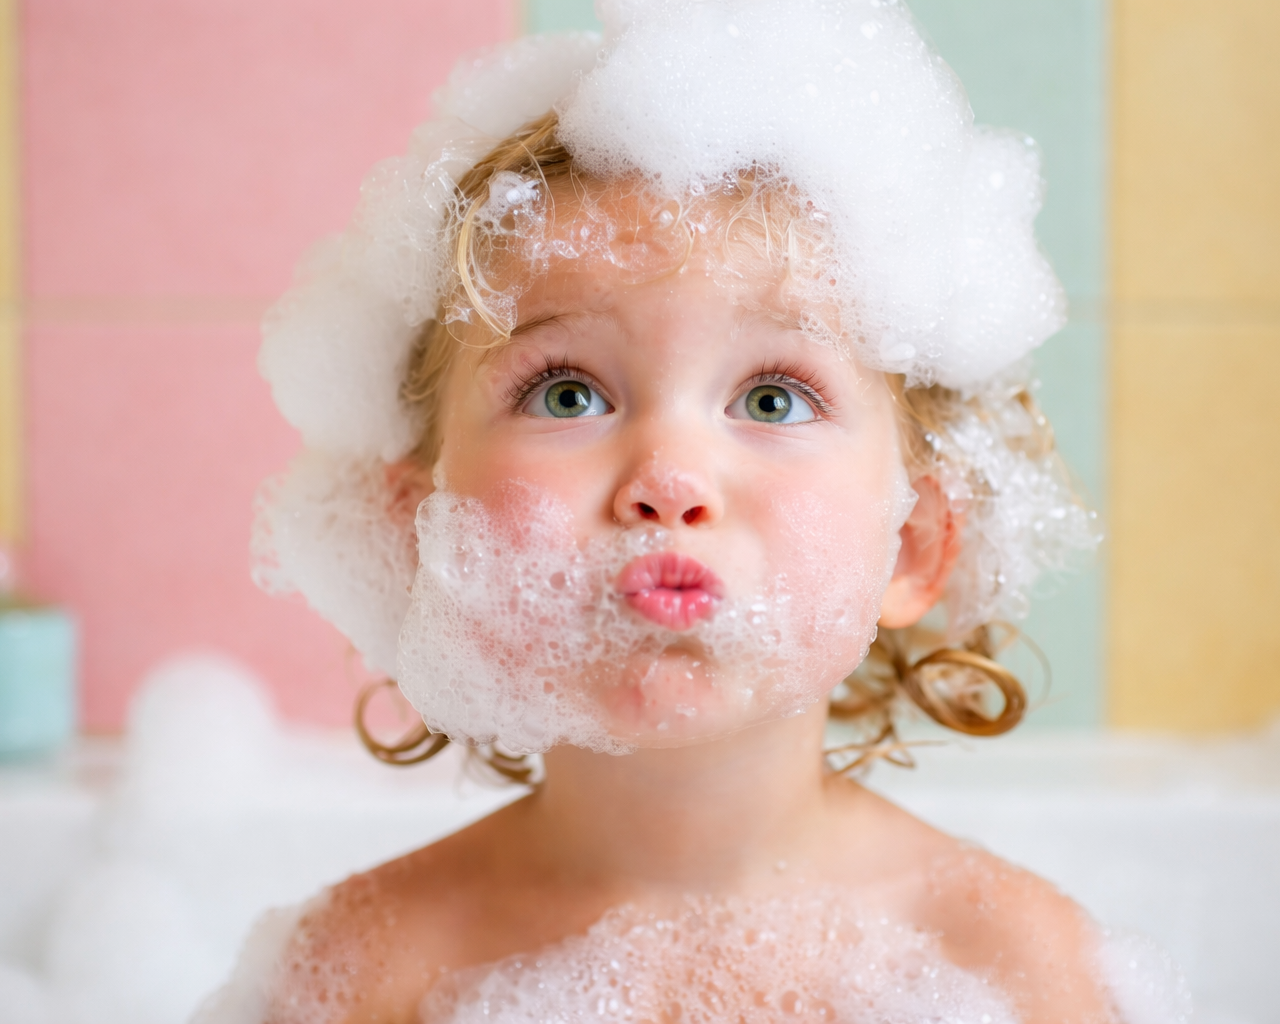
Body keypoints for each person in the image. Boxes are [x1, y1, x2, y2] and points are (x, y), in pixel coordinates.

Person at [204, 3, 1171, 1021]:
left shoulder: (1011, 974)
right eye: (567, 393)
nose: (668, 474)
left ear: (913, 545)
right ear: (418, 531)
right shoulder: (357, 973)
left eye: (772, 399)